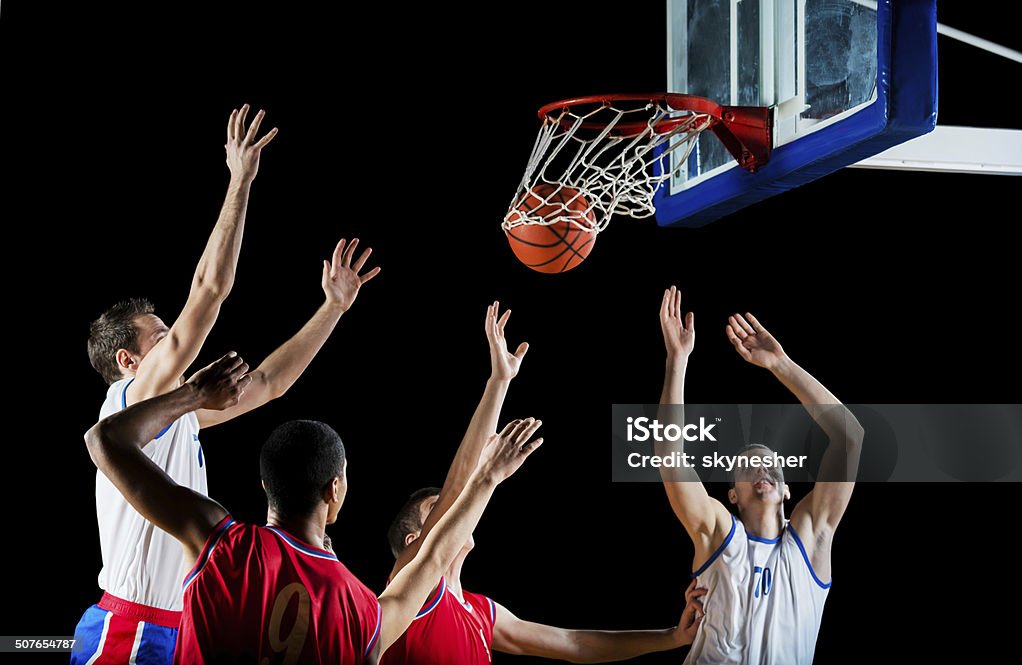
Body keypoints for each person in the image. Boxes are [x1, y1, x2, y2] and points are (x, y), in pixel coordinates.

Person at [76, 104, 380, 664]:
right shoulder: (129, 399)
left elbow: (268, 382)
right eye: (162, 338)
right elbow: (209, 291)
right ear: (127, 361)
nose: (177, 343)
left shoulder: (175, 416)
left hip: (179, 626)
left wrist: (333, 308)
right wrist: (240, 180)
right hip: (132, 628)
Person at [79, 352, 545, 664]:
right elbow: (436, 553)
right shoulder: (361, 610)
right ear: (335, 491)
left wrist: (194, 396)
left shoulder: (217, 541)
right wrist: (487, 478)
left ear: (265, 485)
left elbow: (104, 440)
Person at [383, 303, 706, 664]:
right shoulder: (411, 590)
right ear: (414, 540)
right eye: (436, 509)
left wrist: (672, 637)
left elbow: (574, 643)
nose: (456, 508)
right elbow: (460, 488)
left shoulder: (480, 612)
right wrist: (498, 384)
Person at [656, 286, 864, 665]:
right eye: (748, 464)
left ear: (786, 491)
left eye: (771, 465)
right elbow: (670, 456)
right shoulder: (719, 531)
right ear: (731, 494)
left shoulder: (810, 541)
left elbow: (850, 438)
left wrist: (780, 364)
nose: (762, 468)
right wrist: (677, 361)